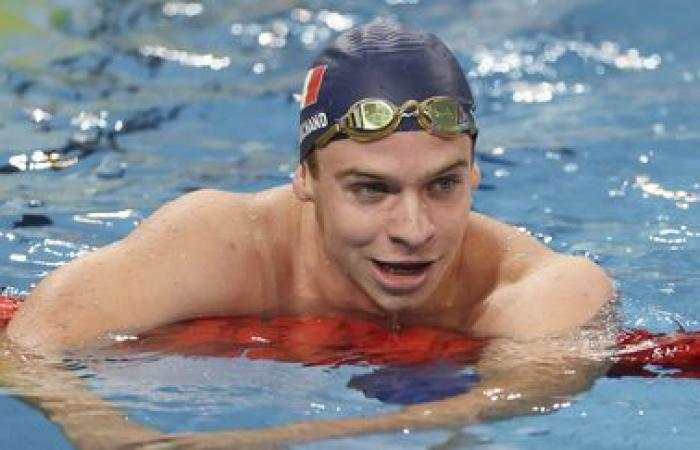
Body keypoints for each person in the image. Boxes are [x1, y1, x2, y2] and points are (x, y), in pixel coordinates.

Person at [2, 21, 615, 448]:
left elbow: (513, 400)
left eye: (442, 185)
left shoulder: (543, 288)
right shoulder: (221, 242)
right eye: (371, 189)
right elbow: (25, 348)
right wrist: (112, 434)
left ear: (476, 174)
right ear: (305, 178)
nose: (414, 230)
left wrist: (277, 442)